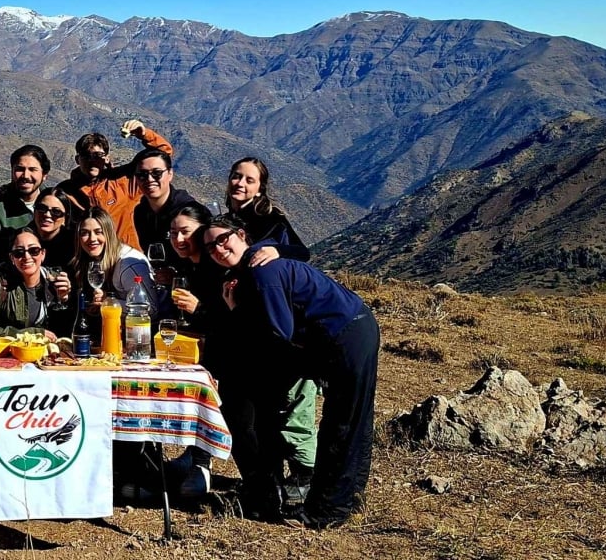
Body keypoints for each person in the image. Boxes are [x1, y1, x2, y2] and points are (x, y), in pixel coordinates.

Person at [198, 218, 379, 530]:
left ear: (241, 235)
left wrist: (235, 312)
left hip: (344, 335)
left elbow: (277, 335)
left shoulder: (262, 270)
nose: (218, 248)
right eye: (210, 246)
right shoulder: (251, 270)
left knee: (342, 424)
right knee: (353, 421)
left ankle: (326, 512)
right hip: (353, 328)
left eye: (222, 239)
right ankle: (348, 500)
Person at [223, 156, 314, 506]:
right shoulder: (225, 218)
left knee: (273, 406)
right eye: (236, 177)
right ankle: (264, 481)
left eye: (249, 179)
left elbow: (302, 251)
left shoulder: (269, 219)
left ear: (260, 186)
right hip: (241, 316)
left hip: (270, 318)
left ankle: (288, 479)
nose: (240, 184)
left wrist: (275, 250)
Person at [56, 121, 172, 250]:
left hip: (127, 257)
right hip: (90, 260)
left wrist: (144, 134)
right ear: (78, 160)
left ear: (106, 158)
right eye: (86, 156)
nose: (92, 160)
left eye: (97, 155)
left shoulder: (123, 181)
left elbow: (163, 154)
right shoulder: (67, 190)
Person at [0, 227, 72, 341]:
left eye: (34, 251)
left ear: (43, 254)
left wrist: (64, 299)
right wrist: (30, 334)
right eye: (19, 252)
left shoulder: (55, 281)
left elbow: (65, 331)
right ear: (12, 258)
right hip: (6, 354)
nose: (27, 257)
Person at [69, 207, 156, 334]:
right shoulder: (90, 261)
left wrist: (108, 302)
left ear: (109, 234)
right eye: (85, 233)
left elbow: (151, 310)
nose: (92, 239)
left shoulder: (129, 264)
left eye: (99, 232)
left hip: (144, 336)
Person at [0, 185, 76, 263]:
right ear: (34, 210)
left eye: (56, 212)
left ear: (65, 217)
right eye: (41, 208)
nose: (47, 215)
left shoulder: (74, 245)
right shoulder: (14, 240)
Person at [130, 147, 196, 253]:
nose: (149, 179)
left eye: (157, 173)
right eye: (142, 175)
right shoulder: (140, 213)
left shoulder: (189, 211)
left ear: (170, 174)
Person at [0, 144, 49, 235]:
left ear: (44, 175)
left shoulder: (54, 202)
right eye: (20, 169)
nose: (25, 176)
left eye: (32, 170)